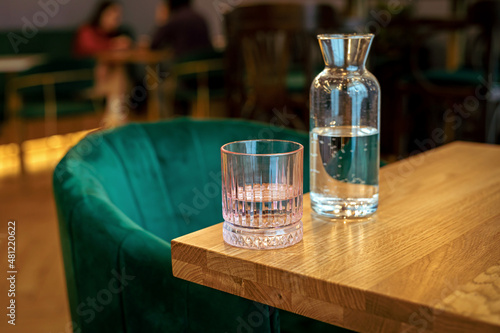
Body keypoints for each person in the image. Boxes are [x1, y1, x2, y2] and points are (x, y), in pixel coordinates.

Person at [73, 1, 132, 126]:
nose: (115, 20)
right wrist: (113, 45)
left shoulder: (113, 36)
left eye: (117, 17)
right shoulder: (86, 31)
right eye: (112, 15)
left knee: (118, 70)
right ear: (101, 14)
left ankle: (115, 117)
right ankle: (115, 117)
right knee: (114, 70)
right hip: (83, 81)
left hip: (106, 83)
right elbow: (91, 49)